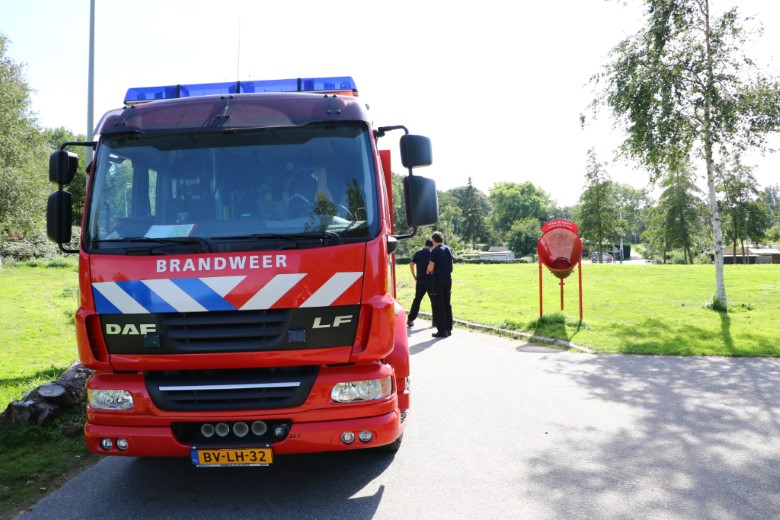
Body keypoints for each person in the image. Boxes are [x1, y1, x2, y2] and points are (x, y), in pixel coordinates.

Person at [426, 231, 454, 338]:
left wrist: (428, 270)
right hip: (448, 278)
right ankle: (448, 328)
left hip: (438, 278)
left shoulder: (435, 251)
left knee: (438, 304)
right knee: (447, 303)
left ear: (433, 240)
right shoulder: (448, 249)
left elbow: (431, 266)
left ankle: (442, 330)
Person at [407, 239, 435, 328]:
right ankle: (435, 321)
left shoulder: (418, 252)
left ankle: (410, 319)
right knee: (434, 300)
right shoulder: (433, 253)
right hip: (430, 280)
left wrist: (414, 275)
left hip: (420, 280)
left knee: (417, 299)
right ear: (432, 245)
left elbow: (411, 264)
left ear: (425, 244)